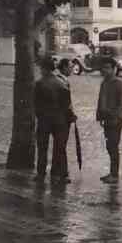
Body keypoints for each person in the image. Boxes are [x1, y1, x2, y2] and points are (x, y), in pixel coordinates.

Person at [34, 56, 75, 185]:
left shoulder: (39, 83)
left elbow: (35, 104)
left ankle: (41, 173)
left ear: (44, 68)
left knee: (42, 147)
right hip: (60, 120)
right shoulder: (61, 83)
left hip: (44, 120)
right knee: (60, 148)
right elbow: (67, 103)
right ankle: (61, 174)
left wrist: (40, 115)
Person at [96, 56, 122, 183]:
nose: (105, 70)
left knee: (113, 147)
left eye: (108, 68)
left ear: (114, 69)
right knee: (109, 147)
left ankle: (114, 175)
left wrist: (115, 115)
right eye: (103, 68)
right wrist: (100, 117)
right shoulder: (104, 83)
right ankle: (111, 173)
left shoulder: (119, 83)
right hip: (107, 120)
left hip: (115, 120)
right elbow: (100, 101)